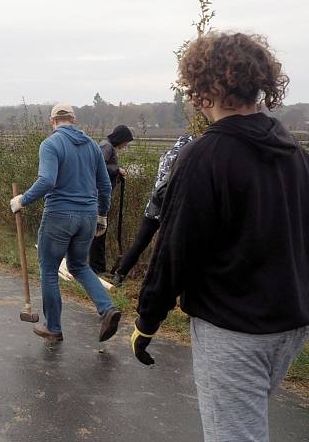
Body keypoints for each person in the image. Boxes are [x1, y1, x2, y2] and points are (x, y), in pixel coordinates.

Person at [132, 32, 309, 442]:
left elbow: (175, 249)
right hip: (291, 324)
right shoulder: (294, 152)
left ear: (205, 87)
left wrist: (147, 320)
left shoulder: (204, 155)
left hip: (234, 329)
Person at [10, 103, 120, 342]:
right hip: (88, 217)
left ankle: (54, 327)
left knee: (49, 270)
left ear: (52, 122)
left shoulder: (51, 144)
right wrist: (102, 215)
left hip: (59, 215)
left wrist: (23, 200)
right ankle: (107, 308)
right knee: (79, 266)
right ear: (74, 119)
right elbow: (104, 184)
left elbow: (47, 181)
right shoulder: (92, 145)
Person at [112, 132, 195, 286]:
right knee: (167, 245)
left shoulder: (165, 156)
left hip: (153, 205)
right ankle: (158, 282)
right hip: (170, 207)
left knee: (140, 241)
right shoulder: (186, 158)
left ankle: (120, 274)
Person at [89, 124, 134, 274]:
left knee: (99, 231)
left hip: (101, 196)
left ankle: (97, 267)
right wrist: (117, 170)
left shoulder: (106, 146)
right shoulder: (106, 146)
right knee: (99, 232)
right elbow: (96, 166)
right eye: (126, 141)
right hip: (98, 197)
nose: (126, 145)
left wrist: (117, 175)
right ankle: (97, 268)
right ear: (121, 138)